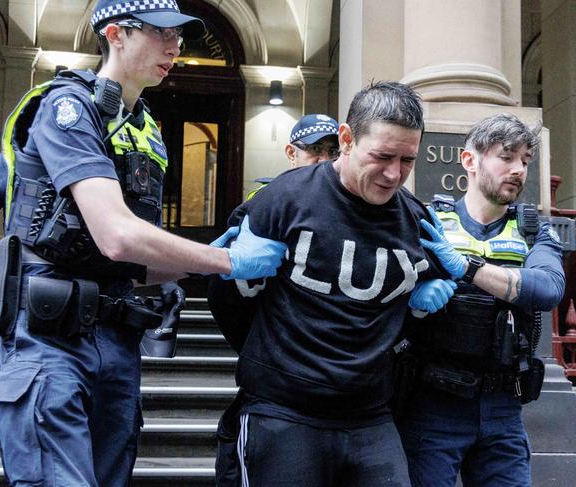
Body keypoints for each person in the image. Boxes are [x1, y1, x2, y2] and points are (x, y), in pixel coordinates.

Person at [0, 1, 286, 486]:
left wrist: (190, 266)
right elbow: (117, 237)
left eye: (179, 36)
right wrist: (224, 260)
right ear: (116, 34)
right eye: (161, 33)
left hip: (116, 333)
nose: (175, 46)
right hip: (49, 333)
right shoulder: (65, 109)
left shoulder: (147, 130)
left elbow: (139, 258)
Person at [209, 81, 451, 487]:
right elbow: (228, 303)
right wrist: (271, 359)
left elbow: (421, 307)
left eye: (407, 159)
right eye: (382, 156)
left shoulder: (414, 217)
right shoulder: (281, 200)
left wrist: (421, 307)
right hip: (283, 411)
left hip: (371, 414)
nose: (394, 174)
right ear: (346, 139)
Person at [398, 113, 566, 487]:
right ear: (469, 161)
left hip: (503, 408)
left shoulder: (533, 229)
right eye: (506, 157)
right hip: (433, 405)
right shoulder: (431, 223)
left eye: (525, 160)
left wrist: (467, 269)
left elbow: (548, 288)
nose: (519, 169)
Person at [246, 114, 339, 199]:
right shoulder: (268, 197)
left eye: (332, 151)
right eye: (315, 149)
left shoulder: (340, 199)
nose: (326, 160)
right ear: (291, 153)